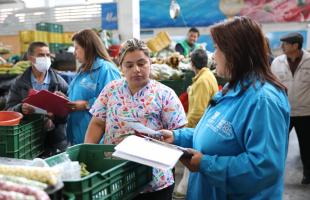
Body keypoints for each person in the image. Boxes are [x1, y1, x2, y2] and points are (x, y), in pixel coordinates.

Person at [161, 16, 290, 200]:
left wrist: (206, 164)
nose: (213, 56)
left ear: (235, 52)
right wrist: (177, 137)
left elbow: (264, 167)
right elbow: (215, 132)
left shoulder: (263, 101)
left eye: (217, 48)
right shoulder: (232, 88)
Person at [84, 38, 187, 200]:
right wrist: (88, 154)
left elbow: (179, 133)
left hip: (154, 179)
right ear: (121, 67)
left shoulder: (164, 94)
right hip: (114, 176)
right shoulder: (111, 90)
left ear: (150, 63)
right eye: (129, 65)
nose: (136, 70)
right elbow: (97, 123)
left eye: (141, 63)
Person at [5, 41, 68, 155]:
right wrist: (20, 108)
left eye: (47, 55)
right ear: (31, 58)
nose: (45, 58)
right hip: (29, 142)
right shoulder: (19, 83)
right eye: (41, 55)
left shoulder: (60, 83)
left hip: (55, 142)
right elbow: (9, 110)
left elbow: (68, 114)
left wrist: (55, 116)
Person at [174, 49, 219, 198]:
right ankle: (183, 192)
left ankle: (181, 193)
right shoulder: (207, 76)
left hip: (198, 127)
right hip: (203, 127)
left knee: (191, 167)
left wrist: (186, 129)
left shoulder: (202, 81)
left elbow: (198, 111)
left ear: (192, 64)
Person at [64, 29, 121, 145]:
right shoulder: (83, 71)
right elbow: (78, 96)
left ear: (87, 47)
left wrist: (86, 104)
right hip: (78, 135)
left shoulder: (106, 70)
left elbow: (115, 101)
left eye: (76, 48)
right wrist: (65, 98)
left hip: (96, 141)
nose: (74, 53)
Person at [271, 32, 310, 184]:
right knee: (278, 145)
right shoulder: (277, 62)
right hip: (283, 113)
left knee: (307, 146)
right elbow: (273, 87)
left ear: (295, 46)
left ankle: (308, 174)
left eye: (285, 44)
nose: (282, 46)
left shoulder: (308, 61)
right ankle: (274, 174)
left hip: (306, 112)